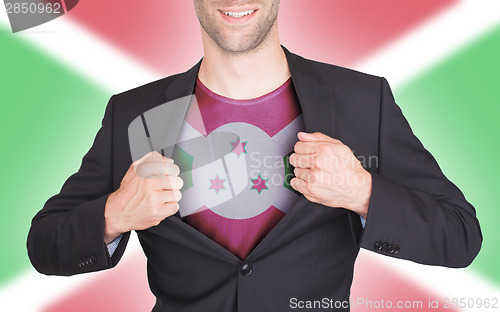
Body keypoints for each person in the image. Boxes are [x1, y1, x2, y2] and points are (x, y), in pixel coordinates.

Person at [27, 1, 482, 311]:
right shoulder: (136, 114)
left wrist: (363, 192)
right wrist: (114, 214)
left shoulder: (362, 101)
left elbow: (460, 236)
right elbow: (45, 245)